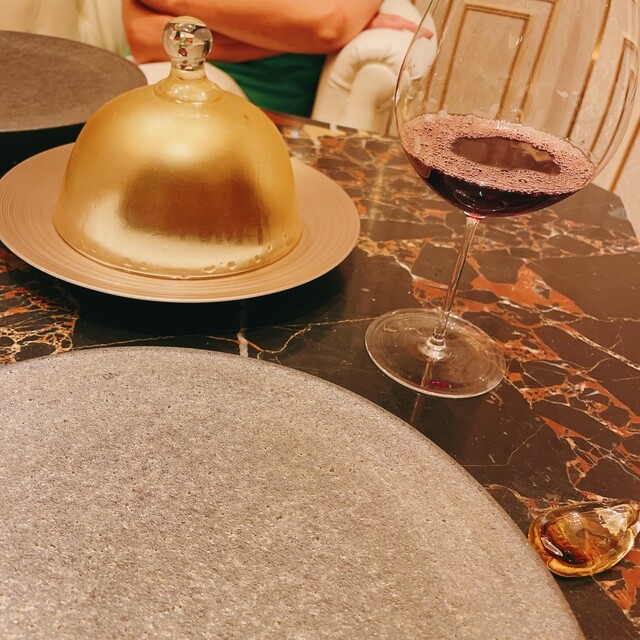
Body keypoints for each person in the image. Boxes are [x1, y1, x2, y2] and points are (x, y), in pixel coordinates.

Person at [123, 0, 421, 117]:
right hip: (181, 74)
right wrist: (296, 36)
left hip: (277, 108)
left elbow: (326, 26)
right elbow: (144, 37)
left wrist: (175, 3)